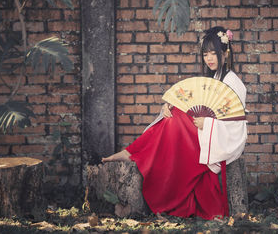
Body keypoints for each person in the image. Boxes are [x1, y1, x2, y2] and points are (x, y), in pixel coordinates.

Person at [102, 26, 247, 220]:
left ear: (225, 53)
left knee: (173, 122)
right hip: (201, 133)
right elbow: (192, 103)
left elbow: (237, 125)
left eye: (214, 53)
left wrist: (209, 124)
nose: (209, 58)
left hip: (216, 139)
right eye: (205, 54)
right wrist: (169, 106)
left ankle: (133, 153)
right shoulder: (210, 79)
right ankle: (133, 153)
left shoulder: (234, 83)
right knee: (173, 114)